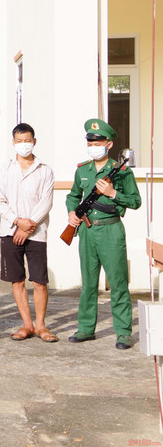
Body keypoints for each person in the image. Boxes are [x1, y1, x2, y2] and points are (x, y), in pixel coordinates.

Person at [66, 118, 141, 350]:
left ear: (109, 144)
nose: (93, 145)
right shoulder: (82, 170)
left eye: (98, 142)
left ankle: (123, 332)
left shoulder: (122, 172)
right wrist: (71, 213)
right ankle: (86, 328)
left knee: (118, 283)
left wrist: (113, 193)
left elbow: (135, 201)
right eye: (90, 141)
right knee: (88, 283)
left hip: (110, 230)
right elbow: (72, 196)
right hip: (87, 231)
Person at [0, 123, 57, 342]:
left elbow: (46, 202)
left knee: (39, 281)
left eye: (27, 140)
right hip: (10, 231)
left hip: (36, 233)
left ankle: (41, 325)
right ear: (13, 143)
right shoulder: (5, 169)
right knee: (17, 280)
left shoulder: (45, 170)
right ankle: (27, 324)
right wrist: (17, 222)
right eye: (19, 141)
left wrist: (28, 226)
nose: (23, 145)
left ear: (34, 141)